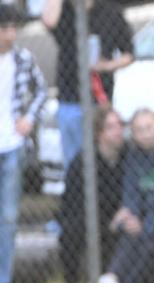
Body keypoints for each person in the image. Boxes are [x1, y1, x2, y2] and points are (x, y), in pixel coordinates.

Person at [41, 0, 133, 172]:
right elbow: (48, 21)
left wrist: (105, 66)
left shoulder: (111, 12)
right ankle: (76, 195)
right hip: (70, 97)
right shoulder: (65, 11)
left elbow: (129, 54)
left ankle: (101, 195)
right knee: (73, 157)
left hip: (100, 99)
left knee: (102, 155)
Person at [0, 4, 47, 283]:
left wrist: (29, 119)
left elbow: (41, 91)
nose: (10, 35)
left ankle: (3, 281)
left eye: (13, 29)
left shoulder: (22, 59)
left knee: (8, 217)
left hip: (12, 146)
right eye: (4, 29)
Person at [98, 108, 154, 283]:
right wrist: (132, 215)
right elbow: (130, 192)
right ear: (133, 134)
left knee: (151, 234)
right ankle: (112, 276)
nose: (145, 134)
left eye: (149, 127)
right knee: (128, 226)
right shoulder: (134, 155)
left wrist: (145, 224)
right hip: (143, 214)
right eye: (139, 130)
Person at [57, 105, 124, 283]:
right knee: (71, 231)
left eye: (120, 126)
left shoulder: (127, 158)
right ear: (99, 133)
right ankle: (71, 282)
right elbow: (72, 204)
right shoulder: (84, 161)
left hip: (118, 216)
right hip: (86, 217)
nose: (118, 131)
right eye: (111, 127)